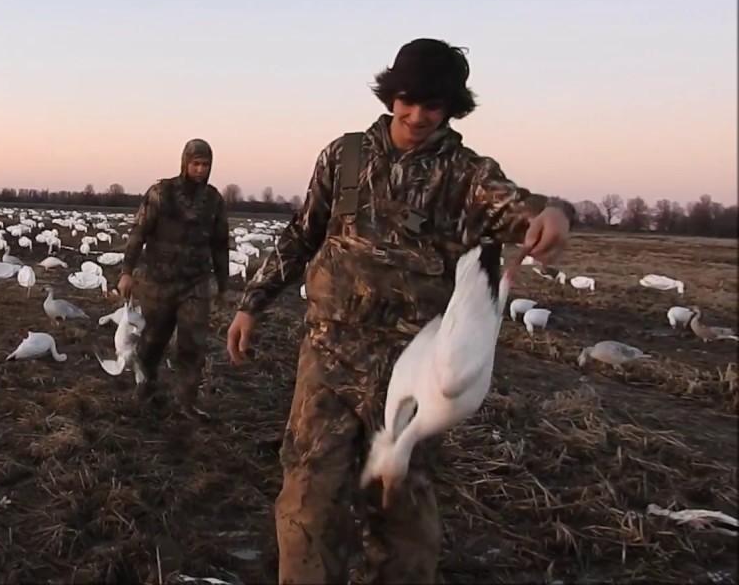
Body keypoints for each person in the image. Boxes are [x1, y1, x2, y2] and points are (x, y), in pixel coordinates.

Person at [224, 38, 572, 584]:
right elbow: (303, 234)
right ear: (390, 94)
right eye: (407, 100)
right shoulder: (344, 156)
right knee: (307, 503)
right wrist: (252, 304)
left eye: (433, 106)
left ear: (452, 109)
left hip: (414, 370)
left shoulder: (468, 174)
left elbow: (521, 210)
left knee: (404, 515)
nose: (416, 116)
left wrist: (552, 214)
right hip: (330, 357)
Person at [117, 138, 231, 420]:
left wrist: (224, 285)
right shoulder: (161, 193)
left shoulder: (214, 200)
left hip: (196, 283)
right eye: (195, 163)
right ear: (184, 163)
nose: (200, 170)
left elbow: (220, 244)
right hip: (159, 282)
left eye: (205, 164)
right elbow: (138, 233)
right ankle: (145, 390)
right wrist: (126, 272)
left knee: (193, 344)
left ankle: (187, 402)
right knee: (152, 341)